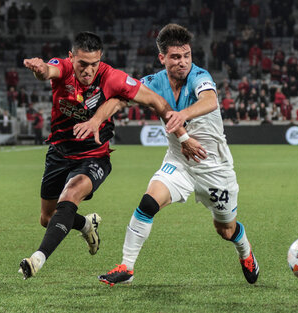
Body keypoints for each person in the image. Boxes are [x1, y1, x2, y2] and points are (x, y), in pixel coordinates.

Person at [18, 31, 204, 280]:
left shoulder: (112, 77)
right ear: (71, 57)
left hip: (94, 156)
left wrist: (183, 138)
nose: (88, 71)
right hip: (59, 153)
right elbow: (47, 72)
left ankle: (37, 258)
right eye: (82, 64)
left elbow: (158, 102)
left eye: (94, 64)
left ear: (101, 59)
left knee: (71, 194)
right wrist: (39, 69)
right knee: (47, 218)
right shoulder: (62, 68)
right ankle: (86, 225)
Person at [92, 24, 259, 286]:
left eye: (186, 56)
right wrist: (98, 117)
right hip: (179, 162)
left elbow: (210, 101)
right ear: (162, 58)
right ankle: (127, 267)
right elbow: (122, 99)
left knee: (225, 230)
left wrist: (182, 114)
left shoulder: (199, 76)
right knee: (148, 203)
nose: (183, 62)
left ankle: (246, 253)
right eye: (175, 57)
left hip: (213, 166)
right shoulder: (153, 82)